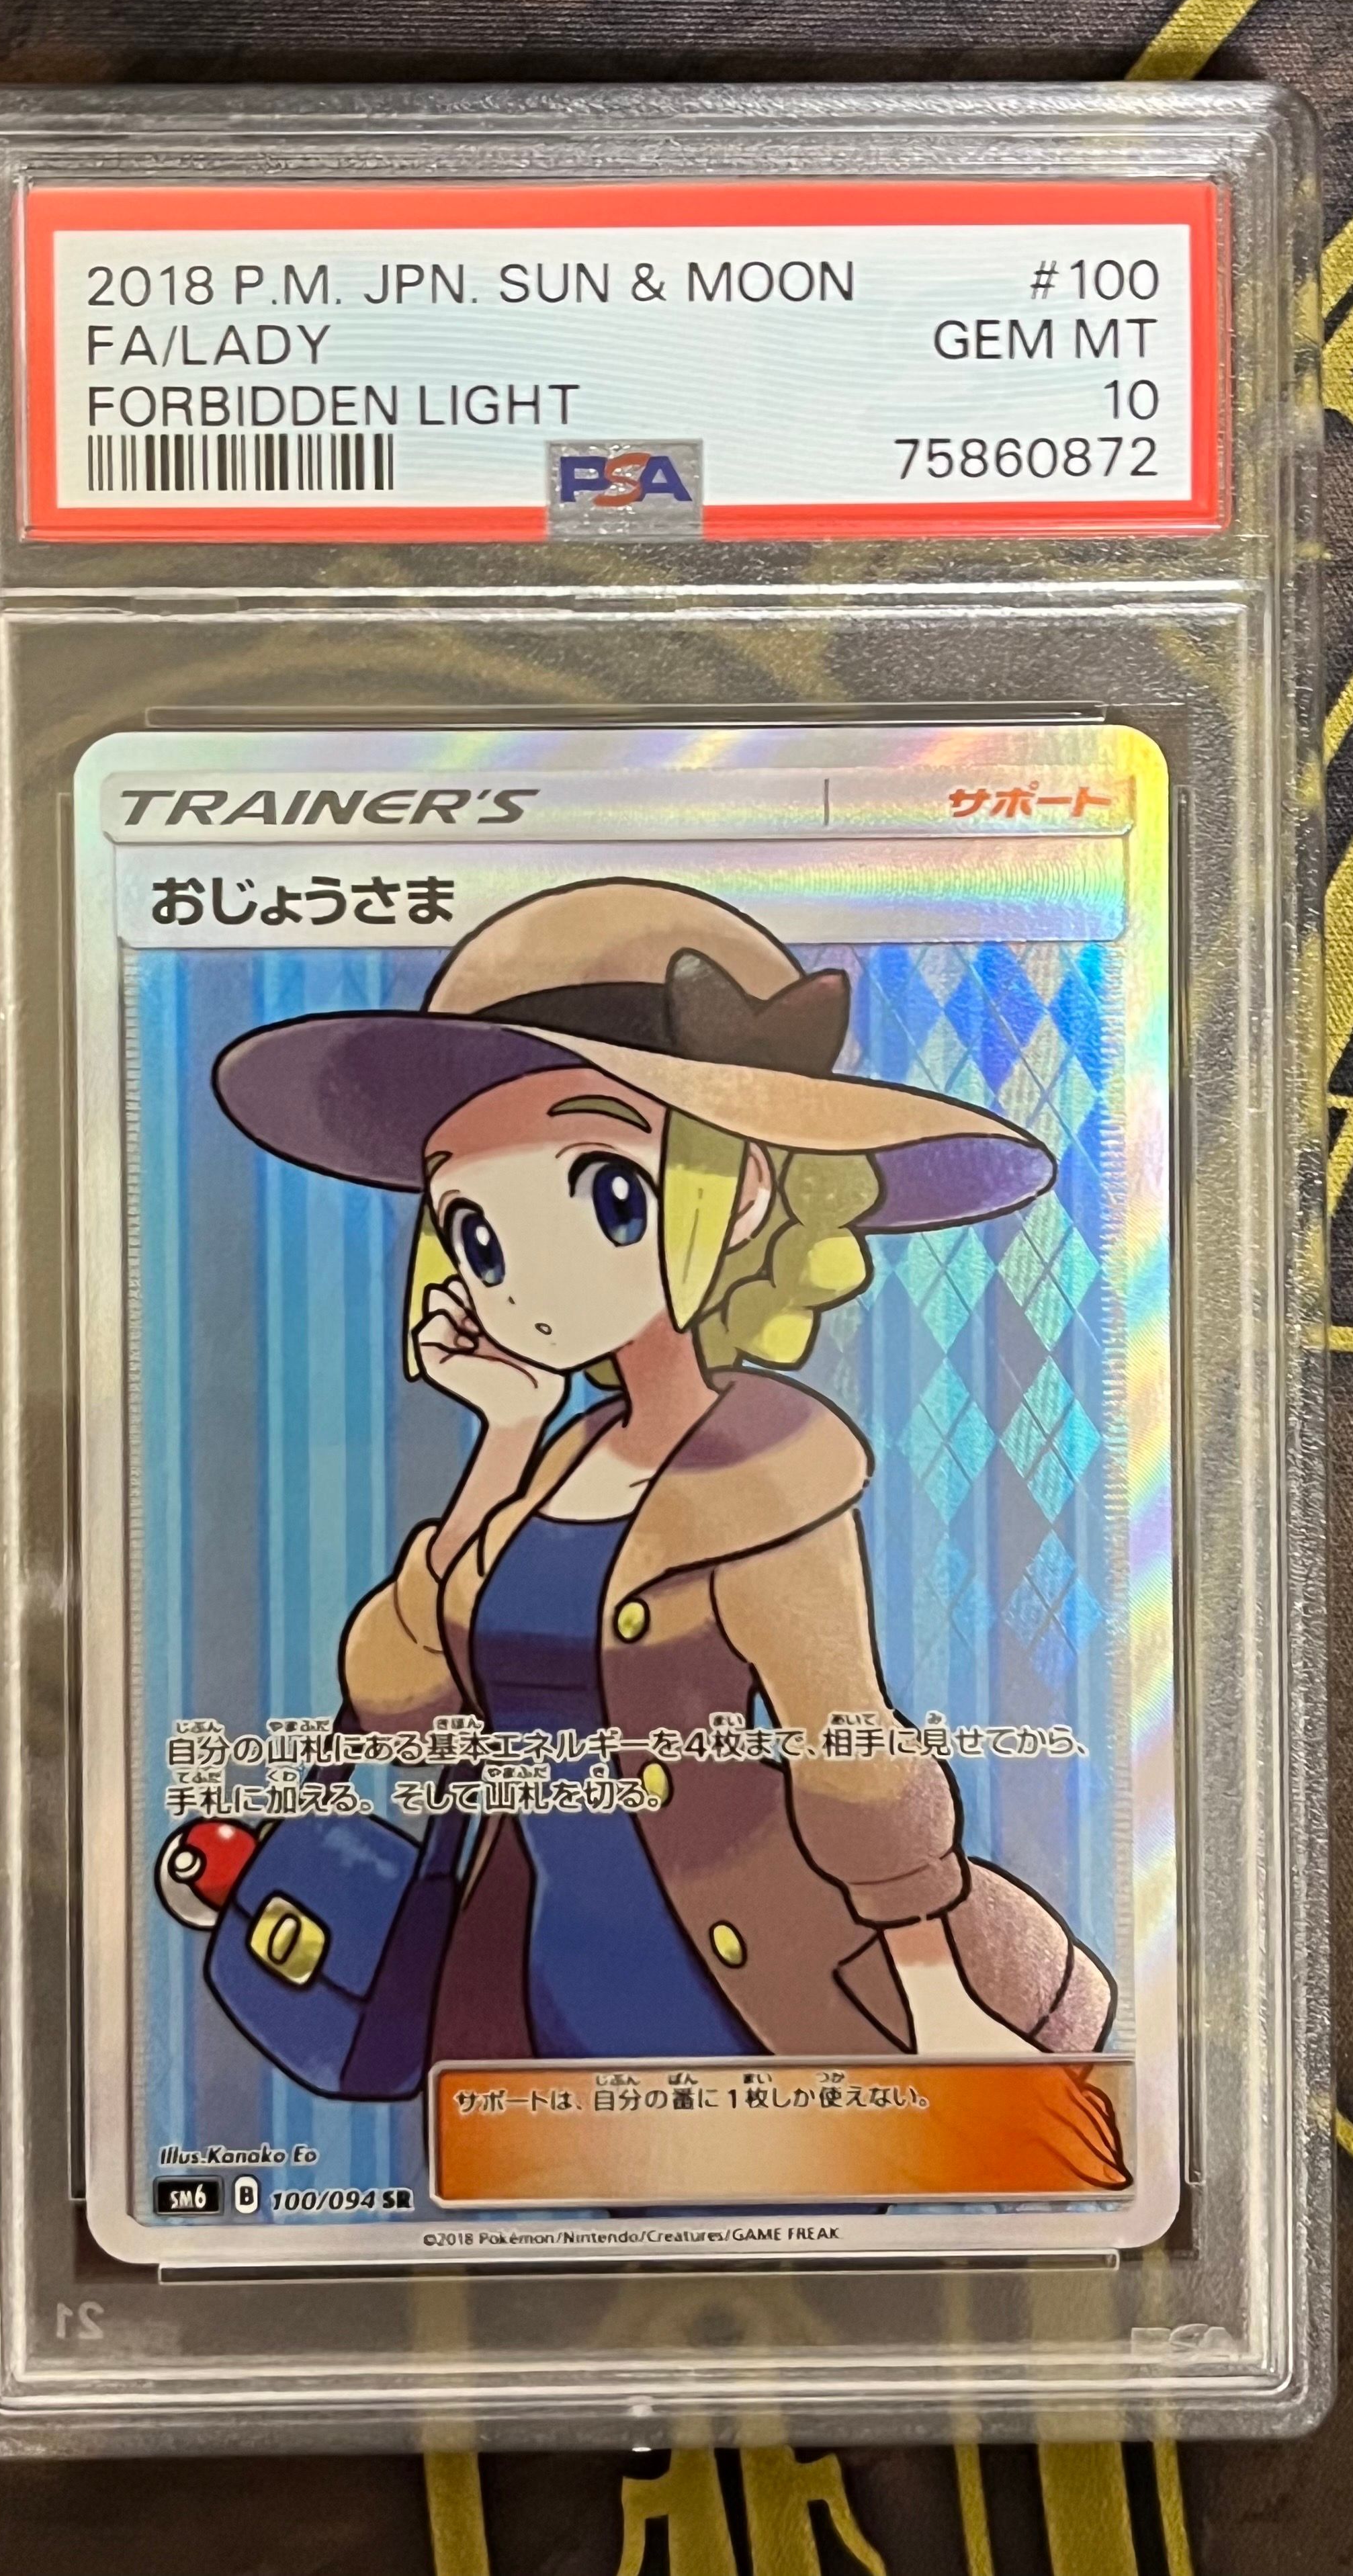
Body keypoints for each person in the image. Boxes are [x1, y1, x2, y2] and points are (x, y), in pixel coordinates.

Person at [179, 877, 1125, 2185]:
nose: (524, 1276)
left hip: (745, 1976)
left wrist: (939, 2000)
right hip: (539, 1977)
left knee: (789, 2255)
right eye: (476, 1232)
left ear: (736, 1196)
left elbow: (848, 1744)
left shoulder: (766, 1467)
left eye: (608, 1195)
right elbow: (409, 1704)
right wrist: (505, 1432)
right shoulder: (560, 1455)